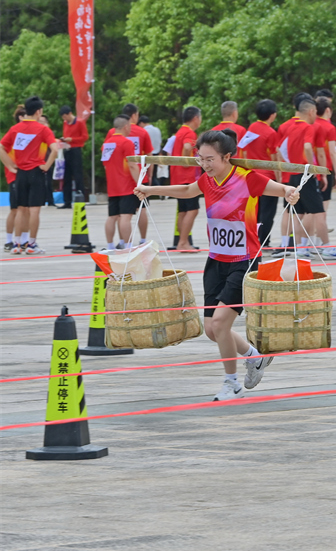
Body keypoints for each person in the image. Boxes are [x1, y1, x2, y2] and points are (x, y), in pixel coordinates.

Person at [134, 129, 300, 401]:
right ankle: (253, 357)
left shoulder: (247, 180)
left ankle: (231, 383)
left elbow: (281, 189)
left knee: (221, 323)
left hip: (244, 261)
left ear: (227, 157)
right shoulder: (207, 181)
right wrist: (150, 190)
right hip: (216, 261)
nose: (205, 164)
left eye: (210, 159)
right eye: (201, 159)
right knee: (211, 329)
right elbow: (188, 190)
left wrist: (291, 191)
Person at [280, 97, 336, 260]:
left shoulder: (291, 128)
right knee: (319, 212)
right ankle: (326, 246)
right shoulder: (308, 127)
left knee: (299, 213)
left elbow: (282, 150)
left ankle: (300, 248)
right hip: (306, 174)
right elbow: (308, 147)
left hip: (293, 174)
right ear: (311, 111)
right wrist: (313, 168)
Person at [0, 96, 58, 254]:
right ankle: (31, 244)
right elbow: (55, 149)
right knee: (34, 211)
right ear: (39, 112)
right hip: (36, 172)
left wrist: (10, 166)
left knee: (21, 209)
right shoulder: (42, 129)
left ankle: (17, 244)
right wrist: (46, 165)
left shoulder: (15, 129)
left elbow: (1, 147)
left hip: (20, 173)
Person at [241, 99, 280, 250]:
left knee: (254, 210)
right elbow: (274, 158)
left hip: (251, 175)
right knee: (267, 213)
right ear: (272, 115)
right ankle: (264, 241)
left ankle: (252, 238)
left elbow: (243, 150)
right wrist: (279, 178)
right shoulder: (271, 132)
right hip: (267, 176)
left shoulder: (251, 128)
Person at [101, 116, 141, 250]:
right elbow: (132, 165)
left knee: (112, 216)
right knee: (125, 217)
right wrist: (139, 183)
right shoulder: (127, 143)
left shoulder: (106, 145)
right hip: (126, 186)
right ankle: (128, 245)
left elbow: (105, 165)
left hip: (112, 186)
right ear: (125, 127)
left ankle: (110, 245)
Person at [170, 106, 203, 251]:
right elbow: (187, 146)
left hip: (177, 177)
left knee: (183, 211)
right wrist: (186, 161)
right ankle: (183, 242)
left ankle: (181, 242)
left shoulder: (179, 132)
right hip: (187, 177)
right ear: (196, 118)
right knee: (193, 210)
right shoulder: (189, 133)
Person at [313, 97, 336, 218]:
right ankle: (319, 234)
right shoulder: (329, 128)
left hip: (310, 167)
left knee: (311, 208)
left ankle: (308, 235)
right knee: (322, 208)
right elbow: (332, 152)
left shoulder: (310, 124)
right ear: (328, 110)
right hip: (325, 168)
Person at [3, 106, 26, 252]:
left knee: (27, 209)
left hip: (26, 174)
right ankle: (9, 240)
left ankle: (24, 239)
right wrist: (10, 167)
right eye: (22, 115)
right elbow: (2, 149)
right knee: (15, 209)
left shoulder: (31, 132)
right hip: (14, 175)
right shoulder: (14, 131)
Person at [58, 105, 88, 208]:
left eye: (65, 116)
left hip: (76, 150)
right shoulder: (65, 123)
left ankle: (80, 200)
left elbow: (85, 137)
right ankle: (67, 201)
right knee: (66, 177)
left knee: (78, 175)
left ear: (70, 113)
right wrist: (64, 139)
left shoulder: (79, 122)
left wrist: (72, 139)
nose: (65, 119)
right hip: (67, 149)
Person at [37, 115, 55, 206]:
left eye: (42, 121)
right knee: (40, 183)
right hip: (38, 161)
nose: (40, 123)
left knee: (49, 182)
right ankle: (42, 200)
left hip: (47, 160)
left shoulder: (48, 133)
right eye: (39, 121)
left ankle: (50, 201)